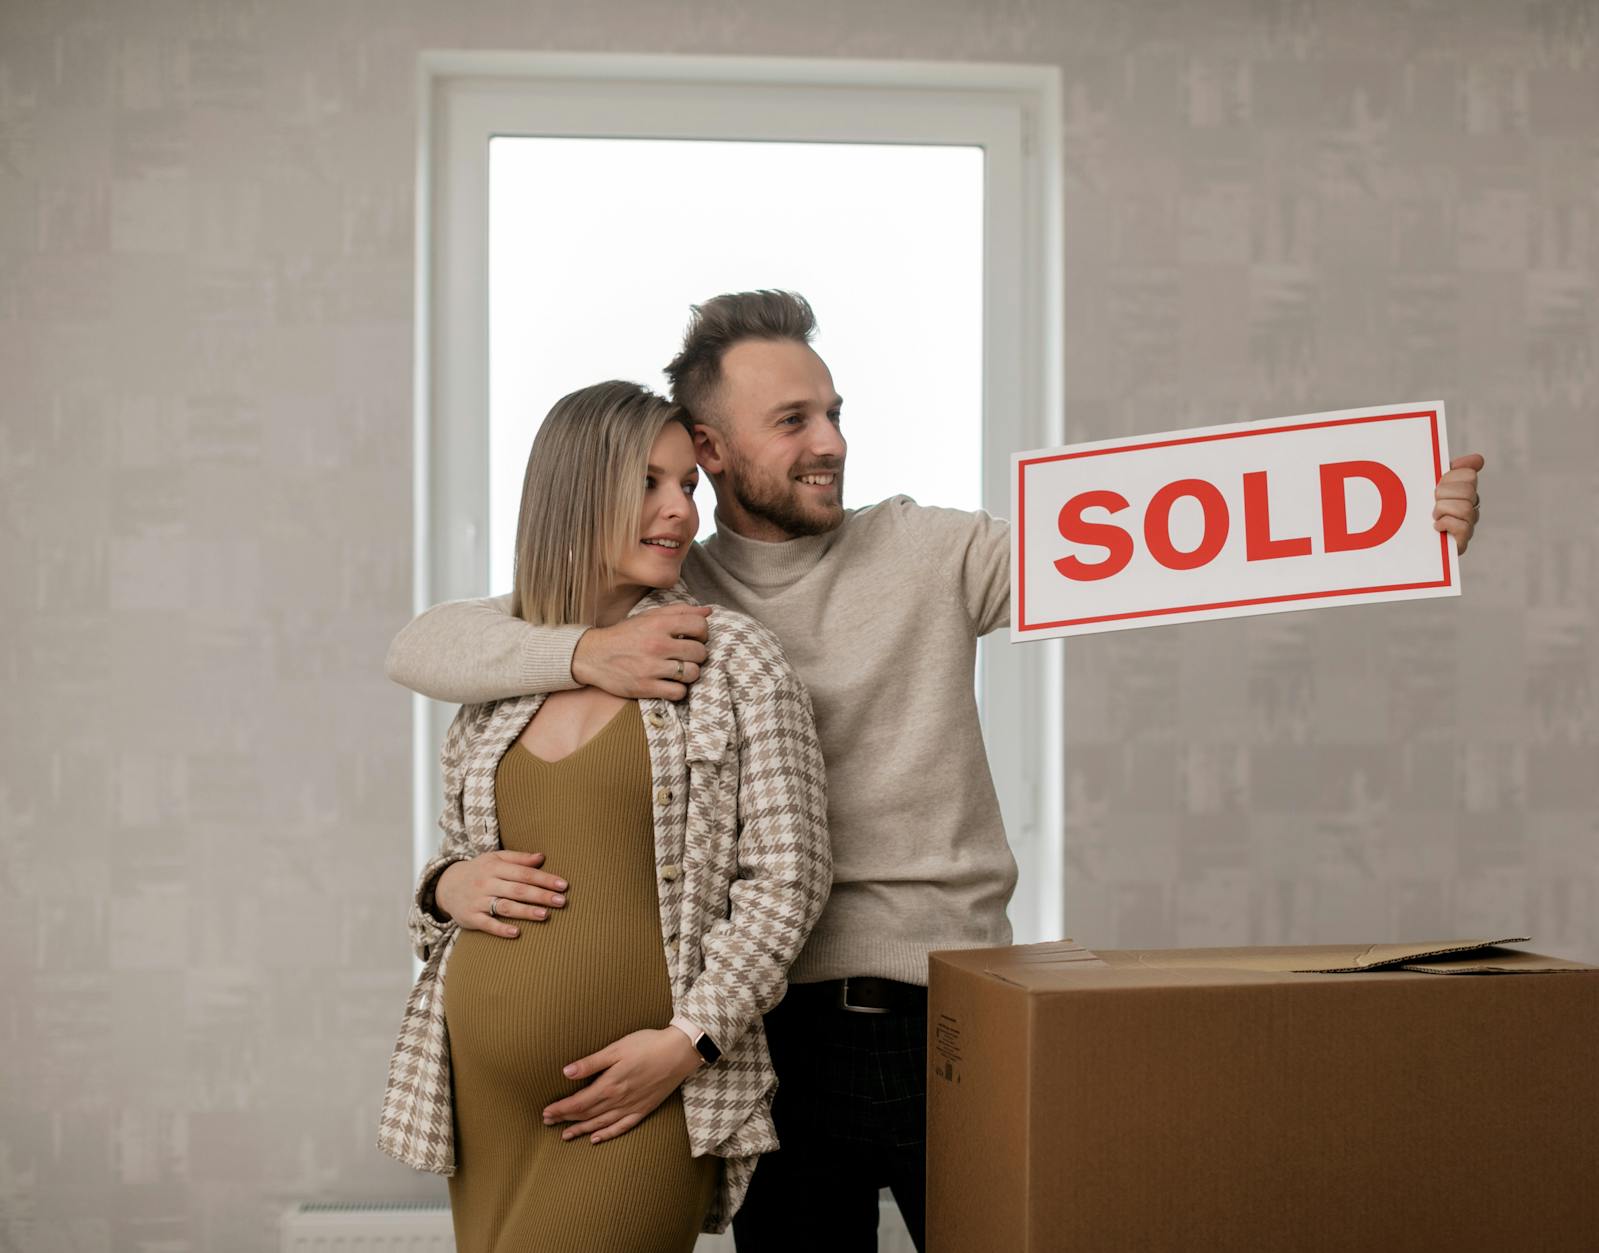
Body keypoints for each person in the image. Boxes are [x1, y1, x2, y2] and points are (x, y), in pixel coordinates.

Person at [384, 291, 1488, 1250]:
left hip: (939, 1014)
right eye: (792, 420)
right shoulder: (668, 593)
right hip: (765, 1033)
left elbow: (1175, 549)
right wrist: (584, 654)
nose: (830, 441)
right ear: (711, 450)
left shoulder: (930, 550)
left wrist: (1400, 518)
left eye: (834, 412)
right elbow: (433, 643)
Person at [376, 379, 832, 1252]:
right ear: (576, 491)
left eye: (688, 484)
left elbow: (790, 879)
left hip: (646, 1090)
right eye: (649, 483)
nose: (682, 510)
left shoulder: (733, 660)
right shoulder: (503, 675)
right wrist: (446, 886)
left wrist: (689, 1042)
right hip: (485, 1095)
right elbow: (453, 861)